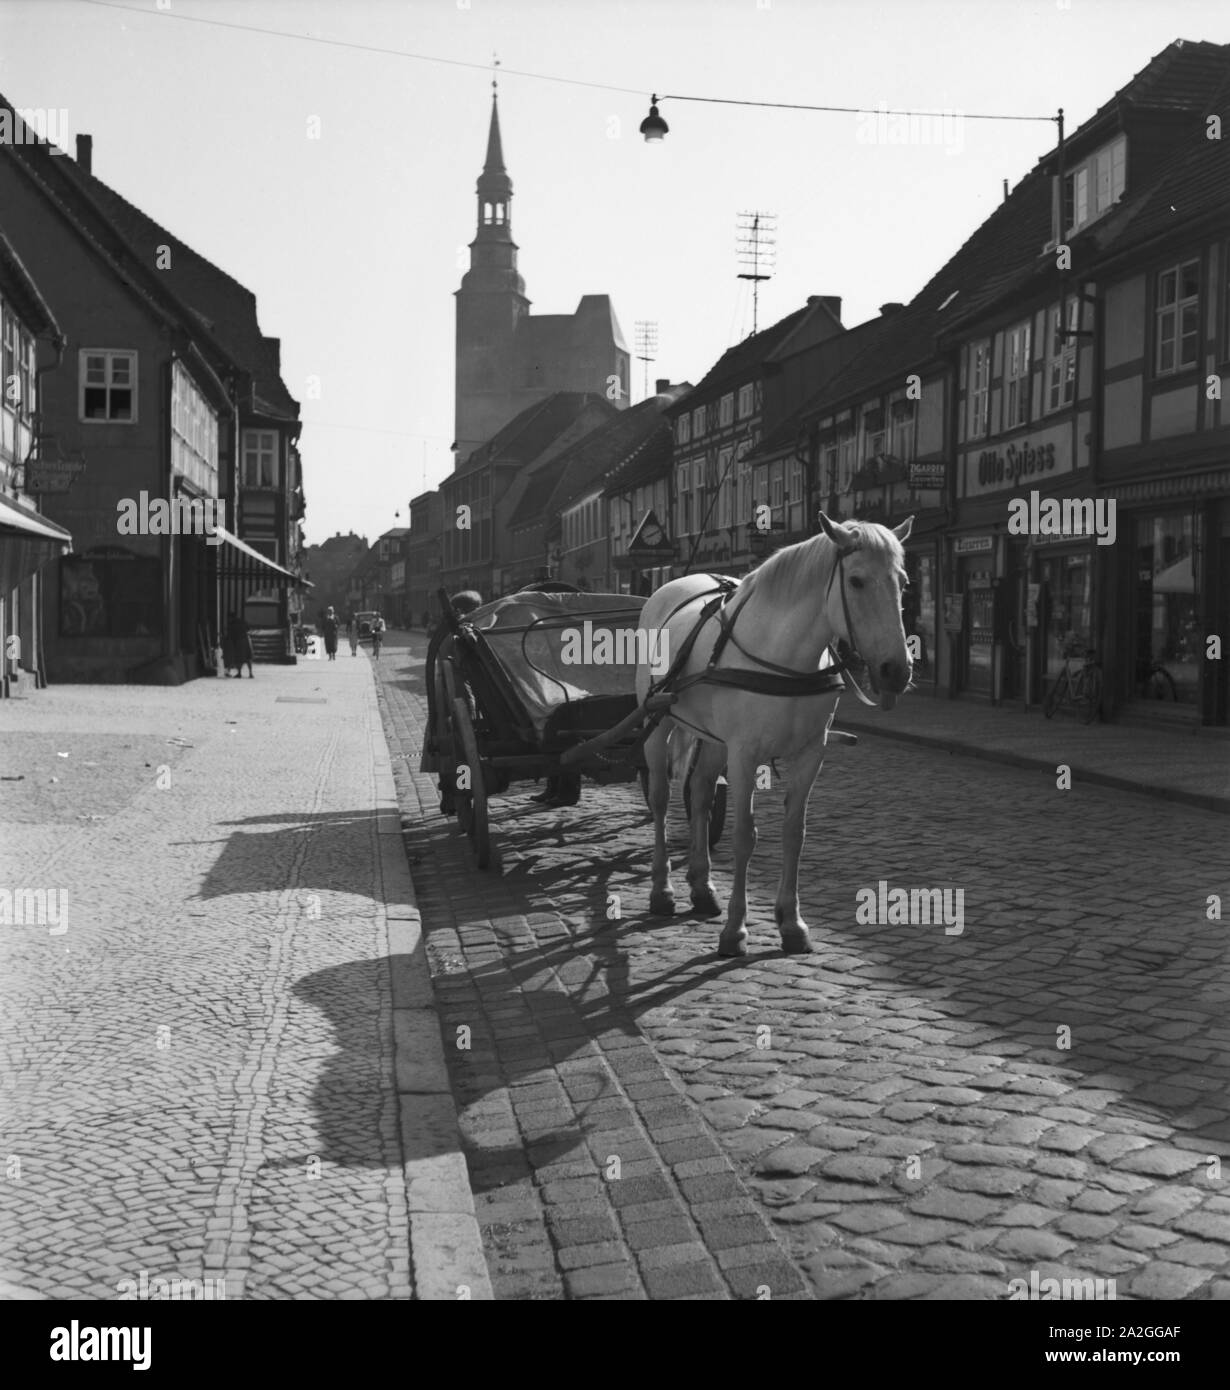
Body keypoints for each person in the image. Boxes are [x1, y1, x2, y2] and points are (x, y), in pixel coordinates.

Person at [225, 611, 254, 679]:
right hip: (246, 640)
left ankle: (239, 673)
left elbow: (230, 635)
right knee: (248, 657)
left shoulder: (232, 624)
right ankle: (250, 673)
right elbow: (248, 628)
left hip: (238, 642)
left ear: (231, 617)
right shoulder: (242, 621)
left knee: (239, 658)